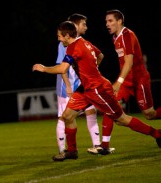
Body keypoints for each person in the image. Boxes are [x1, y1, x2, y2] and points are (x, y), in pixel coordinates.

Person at [32, 21, 161, 161]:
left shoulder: (73, 47)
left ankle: (157, 134)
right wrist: (90, 70)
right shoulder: (85, 42)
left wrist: (43, 68)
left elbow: (62, 69)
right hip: (86, 88)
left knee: (121, 119)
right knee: (67, 116)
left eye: (59, 36)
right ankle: (72, 151)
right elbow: (100, 56)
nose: (58, 39)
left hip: (98, 89)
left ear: (67, 35)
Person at [96, 9, 161, 154]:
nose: (107, 24)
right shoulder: (115, 37)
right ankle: (104, 146)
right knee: (111, 106)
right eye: (106, 21)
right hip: (126, 81)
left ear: (119, 21)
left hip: (139, 80)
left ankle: (157, 134)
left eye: (110, 21)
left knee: (149, 114)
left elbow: (129, 62)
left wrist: (118, 82)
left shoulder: (126, 35)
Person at [55, 13, 114, 155]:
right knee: (64, 117)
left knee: (91, 112)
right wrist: (68, 85)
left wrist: (93, 72)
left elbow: (99, 56)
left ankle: (97, 145)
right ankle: (64, 150)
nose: (86, 27)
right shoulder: (64, 43)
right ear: (75, 26)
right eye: (83, 24)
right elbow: (62, 67)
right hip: (67, 87)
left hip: (84, 85)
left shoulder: (83, 42)